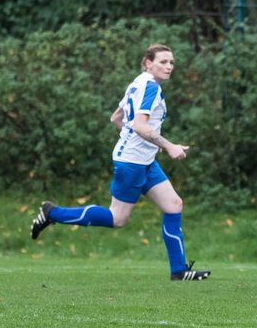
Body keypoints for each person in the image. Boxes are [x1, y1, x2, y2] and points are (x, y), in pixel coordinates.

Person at [29, 44, 209, 281]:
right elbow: (139, 125)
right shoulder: (150, 88)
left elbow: (117, 117)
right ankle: (53, 213)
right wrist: (169, 146)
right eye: (163, 62)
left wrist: (132, 141)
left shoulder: (137, 83)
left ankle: (179, 270)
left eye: (171, 62)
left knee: (174, 205)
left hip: (144, 160)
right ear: (147, 62)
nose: (169, 67)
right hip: (132, 163)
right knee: (117, 218)